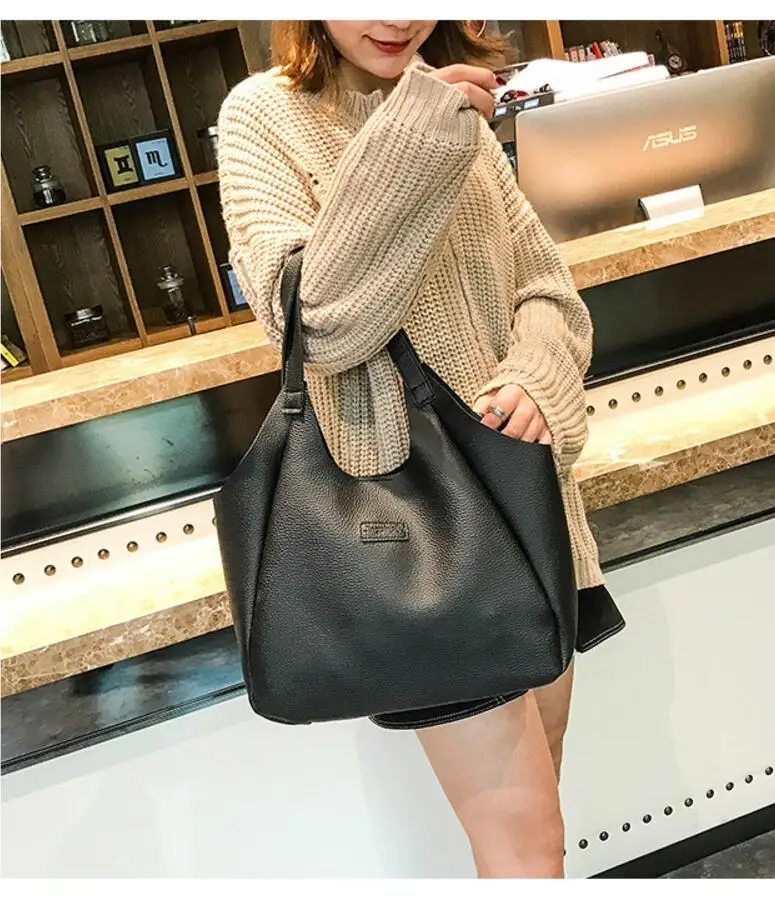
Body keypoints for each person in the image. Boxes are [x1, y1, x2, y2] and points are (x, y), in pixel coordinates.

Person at [218, 20, 625, 879]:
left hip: (525, 506)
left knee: (535, 822)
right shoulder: (265, 116)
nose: (396, 17)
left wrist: (535, 377)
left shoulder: (453, 104)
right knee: (528, 847)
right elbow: (320, 324)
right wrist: (414, 133)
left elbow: (546, 287)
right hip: (418, 537)